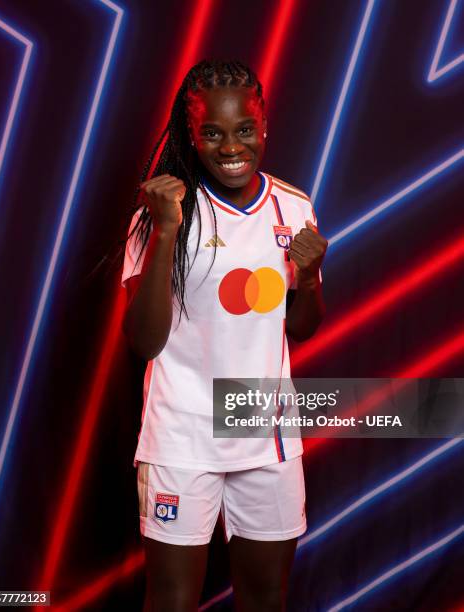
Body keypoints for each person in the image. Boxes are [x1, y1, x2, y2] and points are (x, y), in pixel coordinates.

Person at [121, 59, 327, 611]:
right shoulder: (162, 211)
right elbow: (144, 342)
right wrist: (165, 229)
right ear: (193, 135)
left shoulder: (294, 206)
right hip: (182, 436)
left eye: (243, 130)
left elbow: (301, 329)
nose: (230, 146)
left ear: (263, 129)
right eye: (212, 132)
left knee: (265, 598)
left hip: (266, 435)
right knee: (171, 600)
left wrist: (306, 278)